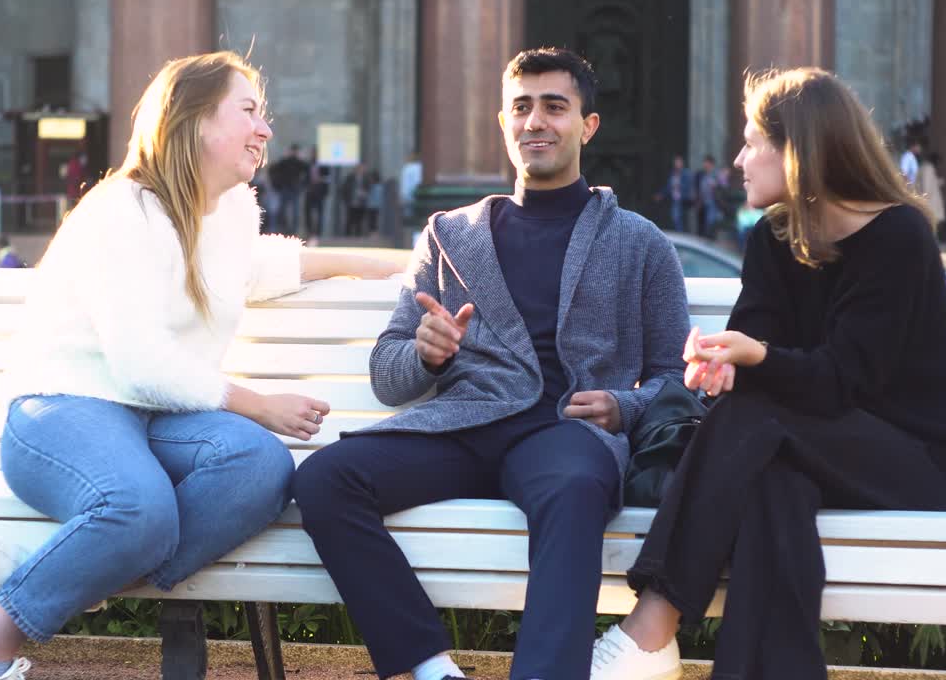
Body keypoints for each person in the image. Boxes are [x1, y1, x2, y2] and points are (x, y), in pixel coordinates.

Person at [0, 50, 403, 680]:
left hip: (155, 418)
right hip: (63, 409)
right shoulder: (120, 211)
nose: (266, 129)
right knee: (140, 510)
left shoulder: (227, 212)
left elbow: (264, 268)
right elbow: (142, 362)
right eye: (250, 111)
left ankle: (67, 575)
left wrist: (389, 264)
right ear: (197, 120)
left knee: (259, 464)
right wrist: (259, 403)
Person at [293, 47, 689, 680]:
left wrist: (626, 405)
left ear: (587, 125)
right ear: (503, 123)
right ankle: (430, 669)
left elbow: (675, 376)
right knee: (323, 480)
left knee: (574, 488)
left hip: (564, 433)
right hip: (462, 427)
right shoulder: (452, 234)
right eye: (522, 108)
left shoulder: (638, 241)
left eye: (555, 107)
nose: (536, 122)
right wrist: (425, 353)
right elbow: (386, 374)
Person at [590, 67, 946, 680]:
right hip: (803, 442)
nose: (738, 160)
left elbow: (842, 380)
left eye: (752, 143)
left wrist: (754, 362)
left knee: (759, 425)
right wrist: (724, 368)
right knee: (775, 490)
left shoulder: (899, 237)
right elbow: (761, 353)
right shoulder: (775, 239)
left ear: (797, 150)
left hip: (913, 455)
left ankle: (654, 623)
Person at [661, 155, 695, 234]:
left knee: (679, 217)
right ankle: (679, 232)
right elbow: (668, 186)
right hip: (675, 199)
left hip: (684, 199)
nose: (677, 164)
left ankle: (681, 233)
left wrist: (679, 185)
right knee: (675, 217)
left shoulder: (686, 173)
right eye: (676, 162)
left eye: (679, 162)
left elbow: (689, 186)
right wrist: (661, 194)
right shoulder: (672, 173)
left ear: (682, 163)